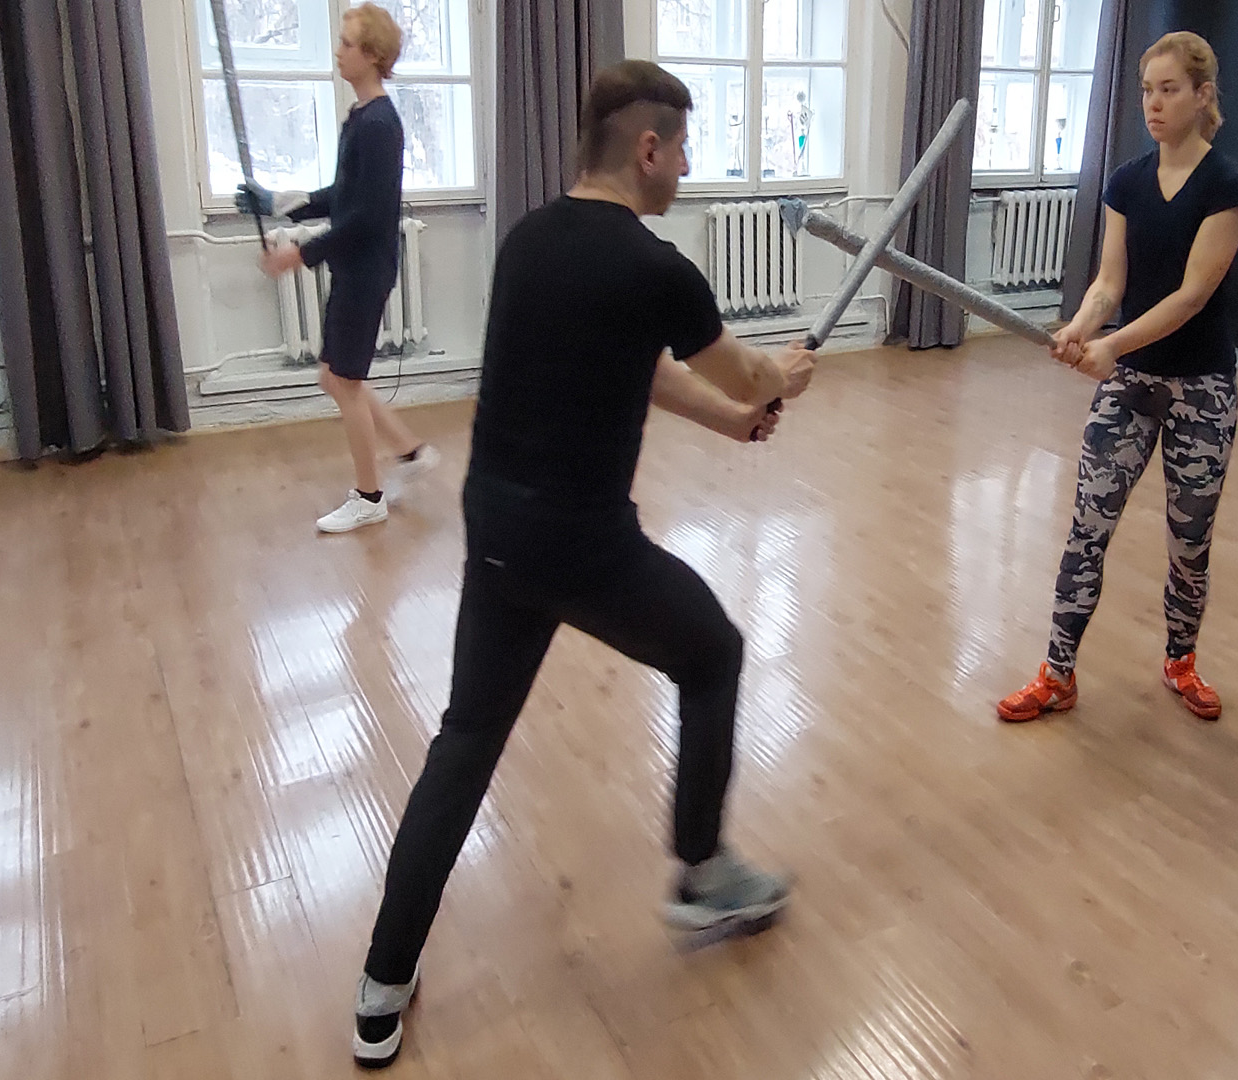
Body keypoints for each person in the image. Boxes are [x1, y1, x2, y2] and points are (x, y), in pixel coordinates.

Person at [347, 60, 816, 1069]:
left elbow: (643, 367)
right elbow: (746, 369)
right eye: (680, 150)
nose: (684, 168)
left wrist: (734, 421)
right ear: (647, 149)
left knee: (466, 738)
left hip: (497, 529)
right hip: (582, 544)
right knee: (715, 654)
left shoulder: (530, 240)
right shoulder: (656, 267)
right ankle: (702, 875)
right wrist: (780, 378)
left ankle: (382, 982)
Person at [998, 31, 1238, 725]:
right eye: (1146, 90)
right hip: (1131, 385)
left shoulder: (1226, 187)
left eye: (1169, 90)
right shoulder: (1127, 182)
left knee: (1189, 543)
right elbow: (1110, 283)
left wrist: (1112, 345)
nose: (1153, 104)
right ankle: (1057, 674)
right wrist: (1082, 327)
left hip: (1201, 389)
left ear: (1202, 95)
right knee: (1088, 526)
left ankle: (1180, 660)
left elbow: (1191, 296)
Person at [242, 2, 440, 534]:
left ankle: (369, 496)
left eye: (347, 44)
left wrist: (299, 255)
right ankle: (411, 452)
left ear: (371, 55)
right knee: (337, 376)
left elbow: (367, 218)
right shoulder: (361, 117)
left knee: (343, 381)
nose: (337, 52)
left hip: (366, 268)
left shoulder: (379, 124)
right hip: (358, 267)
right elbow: (345, 194)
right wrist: (282, 203)